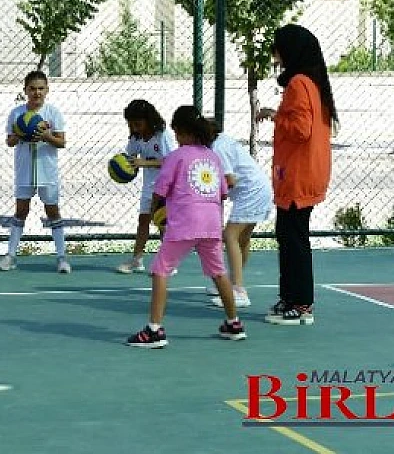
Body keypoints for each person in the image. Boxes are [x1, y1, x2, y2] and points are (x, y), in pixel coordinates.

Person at [126, 106, 246, 348]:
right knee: (218, 272)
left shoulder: (175, 157)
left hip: (183, 224)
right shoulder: (213, 157)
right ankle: (234, 323)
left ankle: (154, 330)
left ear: (179, 131)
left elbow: (159, 192)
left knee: (160, 271)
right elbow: (223, 193)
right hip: (211, 224)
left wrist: (155, 215)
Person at [256, 24, 337, 326]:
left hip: (298, 175)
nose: (275, 54)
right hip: (304, 172)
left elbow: (301, 130)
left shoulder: (299, 83)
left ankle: (301, 303)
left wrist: (276, 117)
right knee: (290, 236)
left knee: (293, 239)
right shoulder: (312, 82)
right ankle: (292, 297)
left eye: (277, 48)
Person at [0, 70, 69, 273]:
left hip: (47, 171)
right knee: (21, 211)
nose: (37, 92)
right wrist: (20, 134)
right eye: (32, 89)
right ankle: (10, 255)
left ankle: (62, 257)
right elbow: (9, 141)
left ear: (47, 90)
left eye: (41, 88)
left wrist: (47, 136)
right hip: (25, 170)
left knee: (52, 212)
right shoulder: (17, 113)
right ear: (25, 90)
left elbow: (62, 142)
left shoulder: (53, 113)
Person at [207, 130, 273, 309]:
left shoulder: (217, 148)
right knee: (242, 239)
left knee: (230, 236)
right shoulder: (221, 139)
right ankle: (232, 284)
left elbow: (229, 181)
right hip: (258, 188)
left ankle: (238, 291)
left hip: (251, 192)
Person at [115, 99, 175, 274]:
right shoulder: (136, 138)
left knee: (163, 224)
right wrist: (123, 165)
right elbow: (130, 157)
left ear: (148, 119)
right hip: (149, 187)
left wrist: (144, 162)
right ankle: (137, 259)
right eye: (131, 124)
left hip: (166, 186)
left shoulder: (162, 136)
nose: (135, 128)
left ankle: (168, 261)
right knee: (143, 221)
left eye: (138, 123)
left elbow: (171, 162)